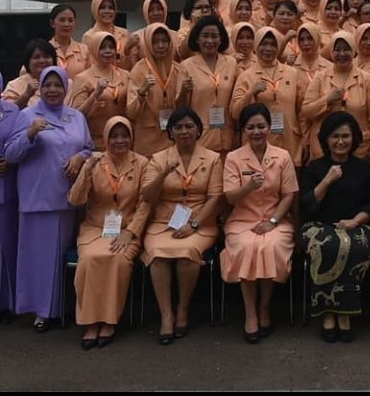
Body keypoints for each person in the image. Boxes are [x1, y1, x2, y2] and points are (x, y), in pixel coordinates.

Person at [4, 66, 93, 332]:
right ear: (40, 88)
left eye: (58, 85)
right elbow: (11, 154)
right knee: (39, 259)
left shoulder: (76, 116)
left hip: (68, 198)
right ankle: (41, 312)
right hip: (38, 199)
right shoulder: (27, 115)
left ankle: (63, 308)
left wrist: (79, 157)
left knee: (63, 257)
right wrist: (30, 134)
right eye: (47, 85)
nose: (52, 90)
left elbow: (88, 147)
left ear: (66, 88)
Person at [140, 106, 223, 344]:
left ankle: (183, 308)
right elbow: (147, 196)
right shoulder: (158, 159)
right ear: (170, 131)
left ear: (198, 130)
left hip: (200, 222)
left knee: (187, 253)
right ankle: (166, 315)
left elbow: (214, 197)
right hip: (164, 222)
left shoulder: (213, 158)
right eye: (178, 127)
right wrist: (163, 173)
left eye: (189, 126)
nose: (184, 131)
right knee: (158, 255)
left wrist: (194, 224)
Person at [67, 116, 151, 349]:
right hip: (95, 228)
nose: (119, 141)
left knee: (117, 260)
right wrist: (86, 171)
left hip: (126, 230)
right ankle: (90, 321)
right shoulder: (95, 162)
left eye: (124, 136)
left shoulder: (142, 163)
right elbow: (75, 200)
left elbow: (145, 204)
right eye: (114, 136)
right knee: (90, 260)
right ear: (106, 138)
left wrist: (131, 233)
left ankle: (109, 320)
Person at [221, 103, 298, 343]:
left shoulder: (282, 156)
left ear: (269, 127)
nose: (257, 132)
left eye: (261, 126)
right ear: (243, 130)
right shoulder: (233, 158)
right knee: (247, 247)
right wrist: (248, 187)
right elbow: (230, 198)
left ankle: (265, 306)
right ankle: (250, 313)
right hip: (243, 220)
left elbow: (289, 195)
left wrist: (273, 221)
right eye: (251, 127)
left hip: (276, 219)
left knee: (270, 246)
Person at [300, 111, 370, 342]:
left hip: (357, 225)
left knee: (353, 245)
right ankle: (327, 313)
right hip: (319, 226)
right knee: (327, 246)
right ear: (326, 139)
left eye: (345, 136)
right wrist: (327, 180)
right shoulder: (315, 168)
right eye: (335, 136)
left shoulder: (364, 169)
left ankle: (345, 314)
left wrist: (355, 221)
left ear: (354, 139)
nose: (340, 141)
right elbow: (307, 205)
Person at [301, 31, 370, 165]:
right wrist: (327, 100)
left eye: (346, 49)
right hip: (324, 148)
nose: (342, 54)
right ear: (331, 52)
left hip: (359, 148)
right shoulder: (320, 77)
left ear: (354, 51)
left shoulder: (366, 79)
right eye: (337, 50)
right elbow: (306, 111)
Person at [230, 26, 306, 170]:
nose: (268, 49)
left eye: (273, 44)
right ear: (256, 46)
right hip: (258, 143)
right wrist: (251, 93)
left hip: (289, 139)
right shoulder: (246, 76)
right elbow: (235, 112)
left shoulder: (292, 73)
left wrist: (305, 138)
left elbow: (301, 110)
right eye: (264, 44)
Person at [176, 15, 239, 158]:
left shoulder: (231, 63)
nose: (210, 41)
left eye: (214, 36)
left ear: (221, 39)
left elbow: (237, 101)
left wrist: (238, 132)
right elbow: (180, 108)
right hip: (201, 138)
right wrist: (183, 92)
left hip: (228, 137)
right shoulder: (186, 66)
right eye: (205, 36)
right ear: (197, 39)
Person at [67, 32, 130, 151]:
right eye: (102, 47)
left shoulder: (125, 75)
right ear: (94, 49)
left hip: (122, 141)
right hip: (95, 143)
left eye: (111, 47)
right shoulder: (83, 78)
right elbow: (75, 115)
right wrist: (95, 94)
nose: (108, 51)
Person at [126, 23, 180, 157]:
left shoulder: (178, 69)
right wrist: (142, 92)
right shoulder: (139, 70)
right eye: (155, 42)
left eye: (164, 41)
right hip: (147, 142)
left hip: (173, 140)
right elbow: (131, 112)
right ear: (148, 44)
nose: (161, 46)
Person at [0, 75, 20, 323]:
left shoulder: (13, 111)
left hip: (7, 188)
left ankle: (7, 303)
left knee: (7, 247)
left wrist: (11, 162)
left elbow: (19, 143)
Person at [2, 38, 57, 108]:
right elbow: (7, 112)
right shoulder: (14, 86)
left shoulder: (66, 84)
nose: (42, 61)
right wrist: (26, 95)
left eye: (46, 57)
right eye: (36, 57)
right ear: (27, 61)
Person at [81, 0, 131, 68]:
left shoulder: (124, 33)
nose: (107, 11)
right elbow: (89, 65)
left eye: (110, 8)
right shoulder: (89, 36)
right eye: (102, 7)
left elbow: (131, 64)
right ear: (95, 10)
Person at [48, 4, 90, 80]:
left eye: (70, 20)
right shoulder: (45, 49)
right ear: (52, 23)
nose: (66, 24)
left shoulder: (84, 50)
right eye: (62, 20)